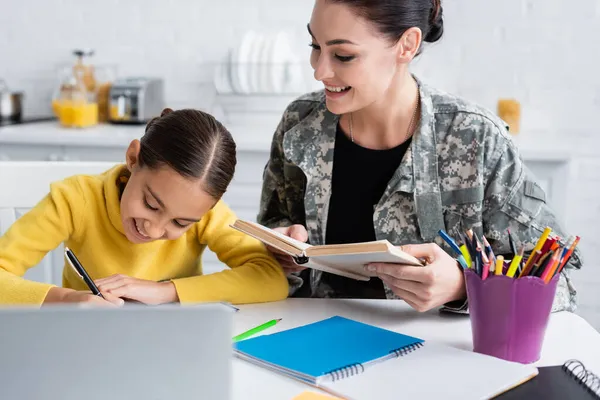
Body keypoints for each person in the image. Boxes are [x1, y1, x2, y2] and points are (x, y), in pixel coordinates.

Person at [257, 0, 582, 313]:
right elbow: (271, 236)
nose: (319, 71)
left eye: (343, 55)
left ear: (406, 45)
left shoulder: (476, 137)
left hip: (436, 357)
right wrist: (279, 249)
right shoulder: (299, 124)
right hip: (314, 345)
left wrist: (462, 287)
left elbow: (559, 284)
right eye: (315, 47)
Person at [0, 108, 288, 307]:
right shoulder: (74, 199)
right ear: (133, 157)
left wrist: (165, 292)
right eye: (151, 204)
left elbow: (270, 278)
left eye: (181, 223)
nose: (154, 229)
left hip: (174, 345)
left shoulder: (206, 213)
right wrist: (65, 300)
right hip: (87, 343)